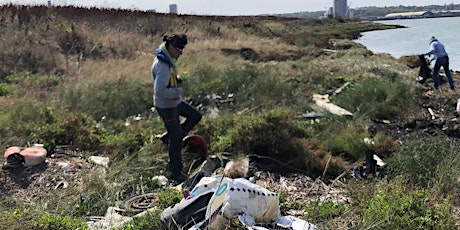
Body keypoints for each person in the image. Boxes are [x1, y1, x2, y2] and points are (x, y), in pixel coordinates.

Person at [151, 34, 202, 183]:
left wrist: (176, 79)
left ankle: (170, 137)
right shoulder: (163, 65)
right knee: (177, 137)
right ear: (171, 47)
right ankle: (175, 171)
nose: (181, 53)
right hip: (166, 106)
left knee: (195, 116)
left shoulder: (167, 59)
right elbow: (159, 91)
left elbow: (167, 79)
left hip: (174, 102)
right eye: (179, 49)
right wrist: (178, 91)